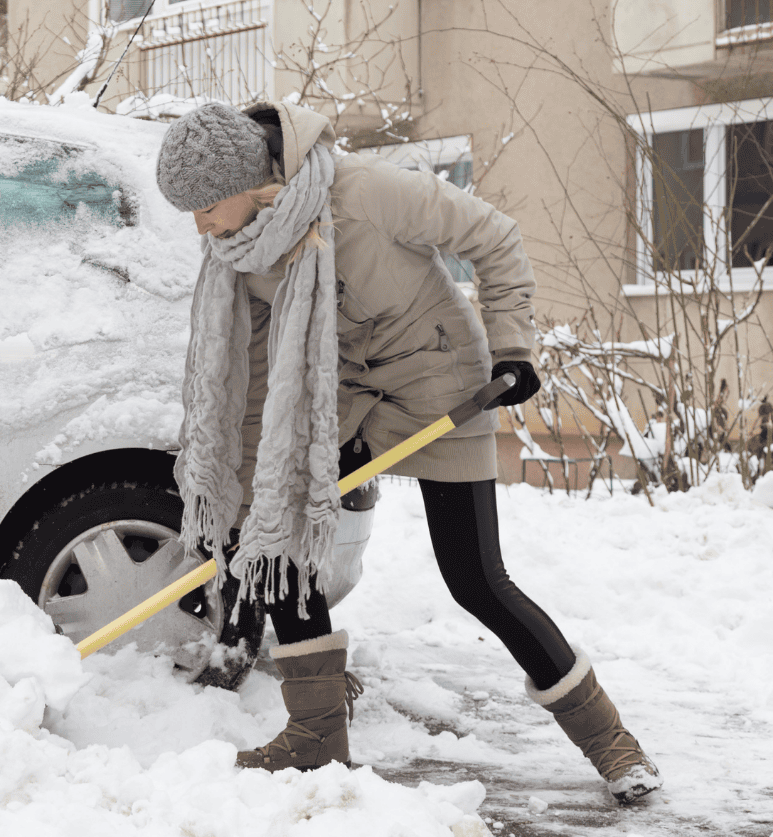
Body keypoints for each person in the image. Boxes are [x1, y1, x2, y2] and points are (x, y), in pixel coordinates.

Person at [154, 100, 663, 804]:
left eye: (206, 205)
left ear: (251, 179)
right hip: (336, 392)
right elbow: (256, 374)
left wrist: (512, 345)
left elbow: (496, 236)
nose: (200, 224)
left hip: (437, 383)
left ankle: (612, 741)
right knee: (286, 533)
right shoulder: (242, 248)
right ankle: (315, 734)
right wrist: (251, 490)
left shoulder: (367, 193)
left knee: (475, 578)